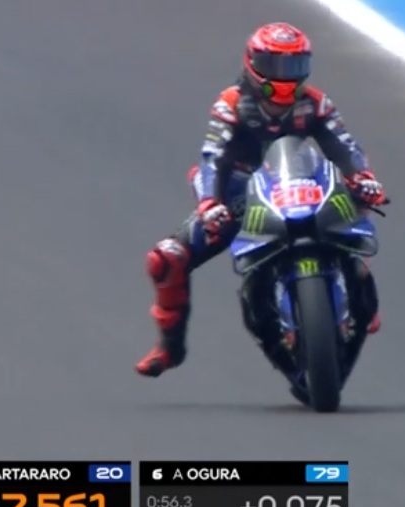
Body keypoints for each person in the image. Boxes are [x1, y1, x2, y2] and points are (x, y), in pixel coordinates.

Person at [136, 22, 388, 378]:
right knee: (166, 258)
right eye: (275, 65)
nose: (285, 76)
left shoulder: (316, 103)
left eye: (294, 65)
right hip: (243, 194)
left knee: (357, 211)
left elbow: (345, 146)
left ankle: (361, 294)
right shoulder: (231, 105)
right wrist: (210, 204)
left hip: (302, 183)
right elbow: (213, 158)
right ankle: (169, 346)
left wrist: (364, 178)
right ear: (253, 64)